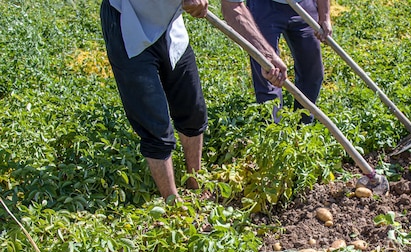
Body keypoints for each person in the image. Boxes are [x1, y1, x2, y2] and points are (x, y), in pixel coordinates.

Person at [100, 0, 287, 201]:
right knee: (154, 120)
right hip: (129, 21)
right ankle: (172, 202)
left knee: (193, 110)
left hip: (169, 25)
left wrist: (266, 55)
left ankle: (194, 181)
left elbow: (235, 8)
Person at [244, 0, 331, 123]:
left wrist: (325, 15)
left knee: (313, 73)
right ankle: (274, 132)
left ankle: (303, 127)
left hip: (303, 4)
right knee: (269, 74)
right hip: (264, 5)